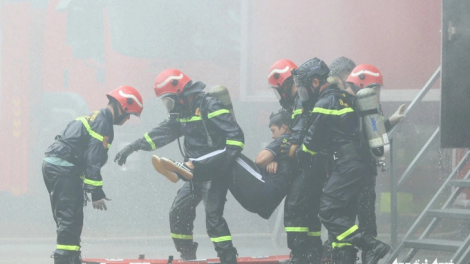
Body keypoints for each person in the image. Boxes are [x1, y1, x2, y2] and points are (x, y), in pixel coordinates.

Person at [113, 69, 244, 264]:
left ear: (181, 93)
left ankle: (228, 258)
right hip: (193, 173)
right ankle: (187, 256)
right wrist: (133, 146)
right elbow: (162, 133)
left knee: (213, 219)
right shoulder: (182, 113)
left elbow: (236, 139)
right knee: (178, 213)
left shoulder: (209, 105)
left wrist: (219, 166)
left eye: (169, 101)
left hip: (214, 172)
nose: (168, 106)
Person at [288, 57, 391, 264]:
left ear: (315, 83)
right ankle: (347, 257)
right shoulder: (347, 98)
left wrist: (297, 153)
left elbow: (311, 144)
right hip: (361, 166)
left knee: (327, 210)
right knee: (344, 214)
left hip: (346, 166)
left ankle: (370, 245)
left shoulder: (326, 102)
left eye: (304, 89)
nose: (303, 94)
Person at [43, 86, 144, 264]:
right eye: (129, 114)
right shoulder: (103, 124)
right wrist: (96, 193)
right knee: (69, 217)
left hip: (58, 167)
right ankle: (66, 260)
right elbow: (93, 159)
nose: (128, 119)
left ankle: (71, 256)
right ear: (123, 107)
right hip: (64, 169)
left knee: (69, 217)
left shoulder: (96, 117)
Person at [345, 64, 405, 262]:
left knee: (361, 223)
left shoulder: (364, 106)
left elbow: (374, 135)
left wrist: (390, 121)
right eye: (376, 89)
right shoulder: (356, 107)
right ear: (363, 85)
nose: (378, 94)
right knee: (357, 223)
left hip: (359, 174)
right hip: (356, 174)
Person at [270, 59, 327, 264]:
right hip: (313, 163)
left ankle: (300, 256)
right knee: (310, 211)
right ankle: (313, 254)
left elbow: (298, 134)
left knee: (295, 207)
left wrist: (275, 152)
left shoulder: (301, 101)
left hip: (307, 162)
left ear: (285, 85)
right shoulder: (302, 101)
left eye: (279, 90)